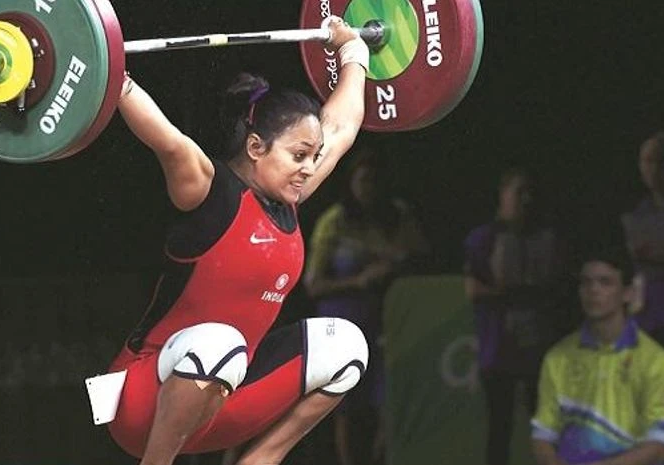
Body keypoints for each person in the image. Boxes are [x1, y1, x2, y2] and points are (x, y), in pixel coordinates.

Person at [89, 17, 371, 465]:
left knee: (347, 345)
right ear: (256, 147)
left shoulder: (289, 199)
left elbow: (342, 128)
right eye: (298, 155)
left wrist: (353, 51)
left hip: (226, 400)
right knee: (221, 344)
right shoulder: (210, 191)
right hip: (142, 403)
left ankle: (260, 461)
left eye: (312, 157)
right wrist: (112, 76)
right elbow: (170, 143)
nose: (308, 167)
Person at [303, 147, 430, 465]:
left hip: (388, 323)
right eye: (363, 180)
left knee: (387, 401)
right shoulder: (334, 221)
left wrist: (393, 263)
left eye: (375, 180)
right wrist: (359, 281)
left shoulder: (399, 215)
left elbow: (421, 256)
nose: (369, 187)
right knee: (342, 404)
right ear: (351, 183)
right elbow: (313, 284)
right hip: (342, 323)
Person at [531, 242, 664, 465]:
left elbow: (662, 443)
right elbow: (543, 435)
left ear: (628, 293)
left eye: (605, 282)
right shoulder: (557, 357)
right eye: (586, 282)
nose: (593, 290)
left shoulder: (655, 360)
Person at [463, 167, 569, 465]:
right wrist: (512, 291)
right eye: (519, 191)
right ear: (503, 194)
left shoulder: (549, 237)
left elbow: (559, 285)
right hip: (500, 347)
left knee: (545, 426)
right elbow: (472, 289)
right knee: (500, 426)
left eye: (530, 192)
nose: (526, 199)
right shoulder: (484, 238)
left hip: (539, 345)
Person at [620, 130, 664, 457]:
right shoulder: (641, 212)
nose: (652, 170)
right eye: (646, 162)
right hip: (651, 319)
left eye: (660, 162)